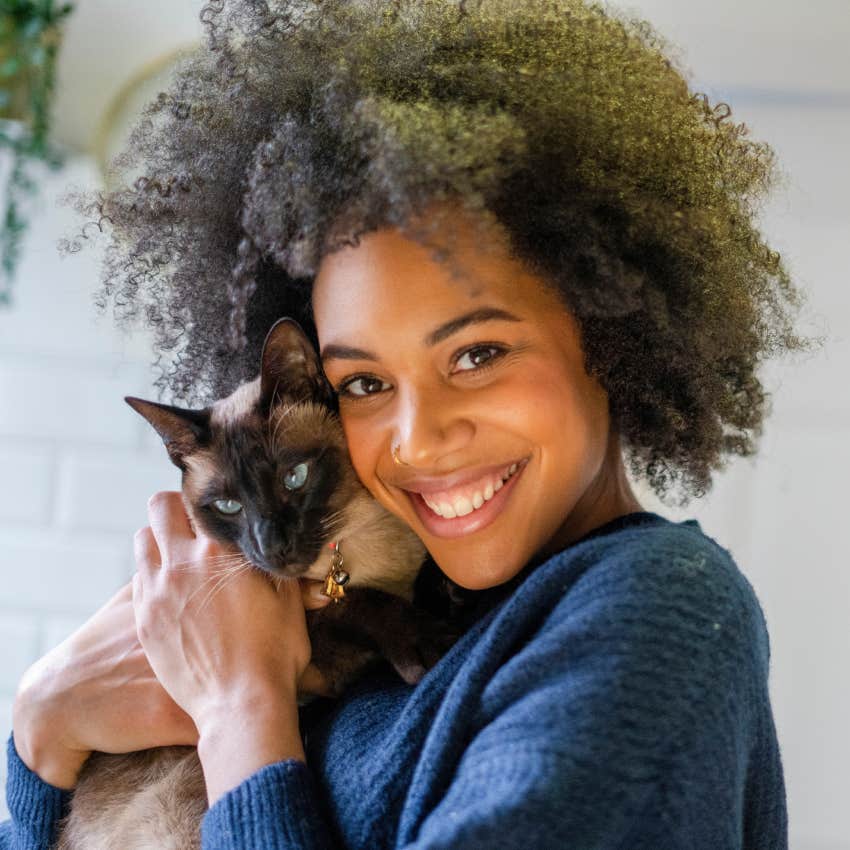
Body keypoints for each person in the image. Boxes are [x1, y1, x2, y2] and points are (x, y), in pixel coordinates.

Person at [4, 0, 813, 847]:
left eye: (477, 355)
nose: (418, 439)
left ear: (610, 338)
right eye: (361, 382)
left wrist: (240, 706)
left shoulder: (657, 608)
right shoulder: (380, 599)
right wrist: (41, 739)